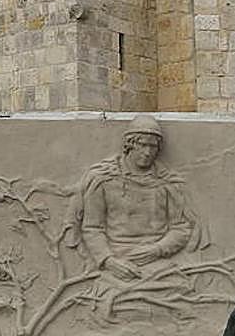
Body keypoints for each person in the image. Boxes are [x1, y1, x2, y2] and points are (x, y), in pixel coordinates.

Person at [72, 115, 204, 281]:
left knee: (181, 289)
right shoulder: (104, 180)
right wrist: (108, 261)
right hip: (117, 259)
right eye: (142, 145)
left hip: (159, 260)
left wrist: (158, 249)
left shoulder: (168, 182)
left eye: (153, 146)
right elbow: (92, 228)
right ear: (129, 144)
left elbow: (180, 227)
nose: (147, 152)